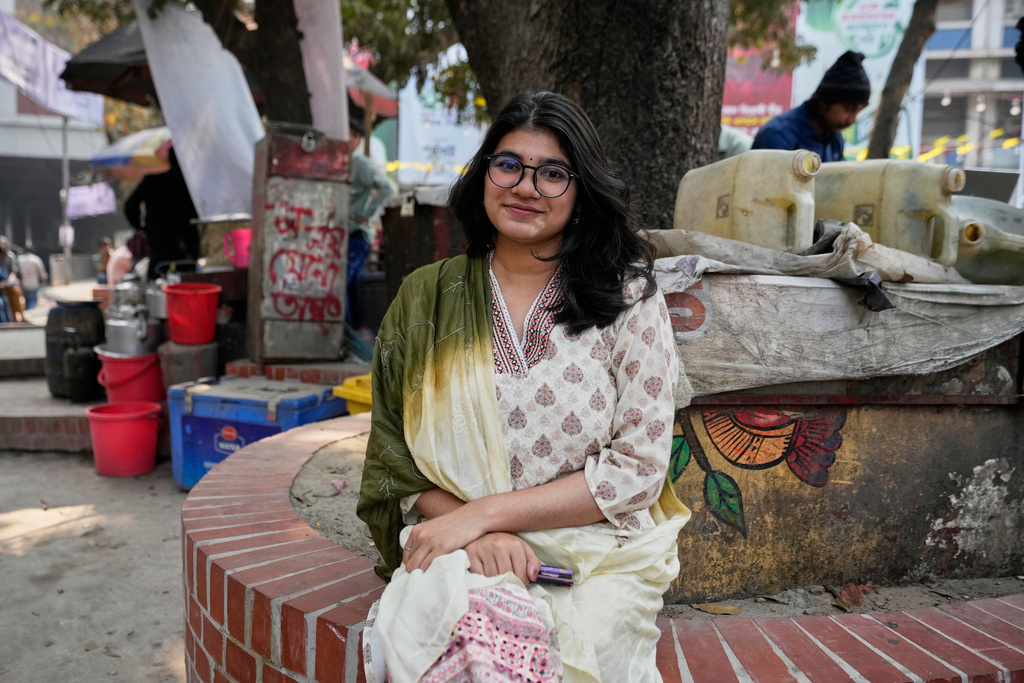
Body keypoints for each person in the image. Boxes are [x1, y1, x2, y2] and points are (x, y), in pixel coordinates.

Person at [357, 91, 690, 682]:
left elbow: (638, 468)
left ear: (582, 192)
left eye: (553, 173)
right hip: (459, 545)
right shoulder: (424, 298)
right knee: (458, 643)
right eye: (508, 164)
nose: (526, 187)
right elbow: (395, 458)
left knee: (571, 656)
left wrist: (485, 516)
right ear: (484, 174)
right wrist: (470, 534)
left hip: (598, 556)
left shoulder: (627, 299)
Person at [751, 50, 871, 162]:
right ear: (826, 102)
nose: (852, 120)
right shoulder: (778, 135)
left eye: (859, 111)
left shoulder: (834, 139)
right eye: (849, 109)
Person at [123, 148, 200, 280]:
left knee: (157, 275)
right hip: (186, 241)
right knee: (189, 277)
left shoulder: (152, 181)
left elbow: (130, 206)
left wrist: (140, 227)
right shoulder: (192, 183)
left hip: (160, 239)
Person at [347, 118, 394, 330]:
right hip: (346, 233)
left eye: (349, 135)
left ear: (357, 139)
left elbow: (386, 187)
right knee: (352, 283)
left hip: (357, 233)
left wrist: (365, 213)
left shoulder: (360, 163)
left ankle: (352, 331)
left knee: (345, 281)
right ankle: (356, 329)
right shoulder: (343, 163)